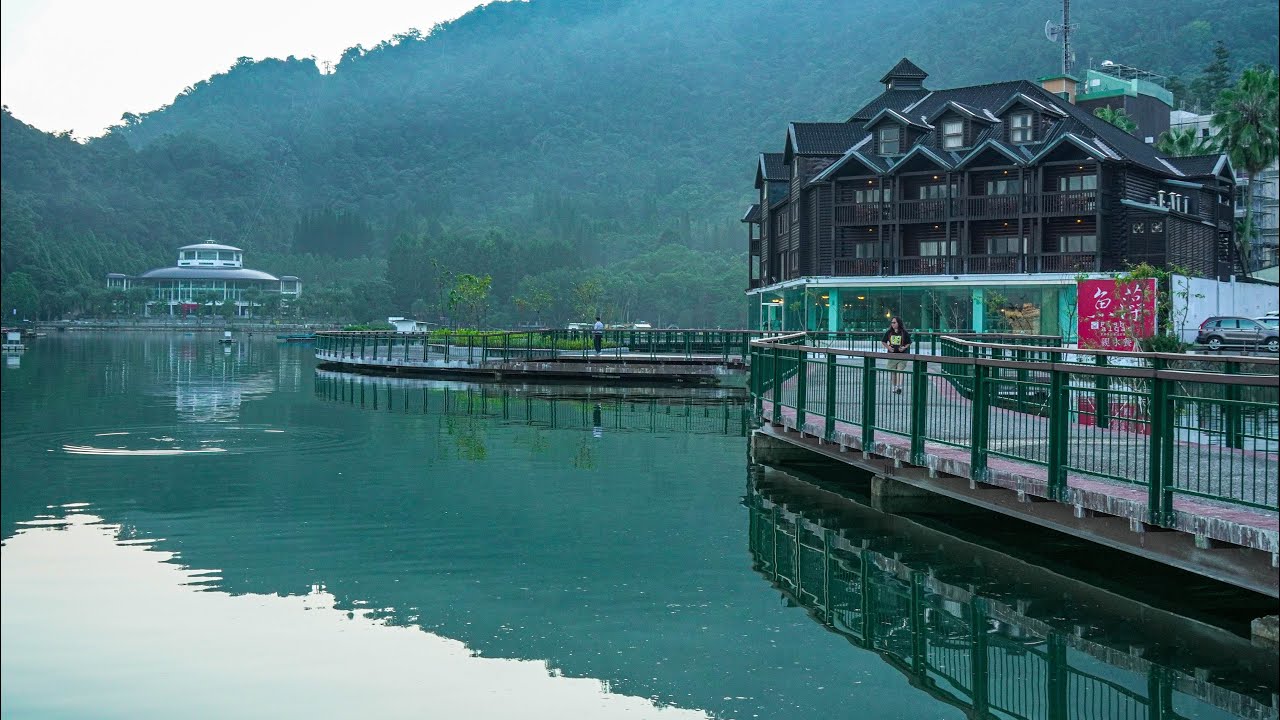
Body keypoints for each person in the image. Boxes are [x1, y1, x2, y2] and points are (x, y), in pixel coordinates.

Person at [881, 316, 911, 394]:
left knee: (900, 370)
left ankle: (899, 386)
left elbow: (909, 342)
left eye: (894, 322)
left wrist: (904, 348)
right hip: (892, 355)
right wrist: (889, 348)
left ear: (898, 323)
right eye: (892, 323)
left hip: (902, 355)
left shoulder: (904, 332)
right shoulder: (889, 332)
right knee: (893, 371)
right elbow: (883, 341)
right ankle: (894, 386)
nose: (892, 324)